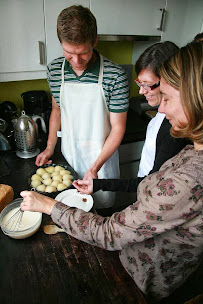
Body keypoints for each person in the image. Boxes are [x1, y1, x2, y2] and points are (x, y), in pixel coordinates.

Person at [20, 41, 203, 302]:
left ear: (196, 100)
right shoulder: (191, 152)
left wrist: (49, 206)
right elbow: (150, 184)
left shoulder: (190, 177)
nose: (160, 108)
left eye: (168, 97)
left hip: (144, 279)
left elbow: (108, 233)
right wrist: (102, 183)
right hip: (134, 247)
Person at [35, 5, 129, 208]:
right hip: (70, 157)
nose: (76, 61)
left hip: (101, 161)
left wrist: (95, 167)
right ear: (60, 43)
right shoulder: (54, 70)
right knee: (70, 211)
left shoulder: (115, 75)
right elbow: (57, 110)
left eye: (84, 53)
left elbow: (118, 128)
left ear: (94, 41)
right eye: (69, 53)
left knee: (102, 215)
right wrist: (50, 147)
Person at [73, 42, 189, 196]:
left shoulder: (174, 129)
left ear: (169, 81)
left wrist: (99, 184)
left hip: (152, 197)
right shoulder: (162, 114)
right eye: (140, 83)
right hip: (145, 191)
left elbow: (153, 183)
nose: (141, 91)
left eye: (147, 85)